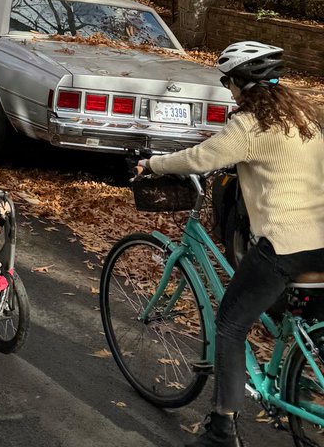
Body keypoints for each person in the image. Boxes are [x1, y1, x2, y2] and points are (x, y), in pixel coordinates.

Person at [136, 41, 324, 447]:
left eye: (227, 81)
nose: (227, 88)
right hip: (321, 240)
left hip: (285, 244)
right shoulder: (306, 118)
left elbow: (200, 158)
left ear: (241, 82)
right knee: (300, 322)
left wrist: (152, 163)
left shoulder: (250, 125)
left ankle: (222, 429)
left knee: (231, 324)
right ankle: (296, 382)